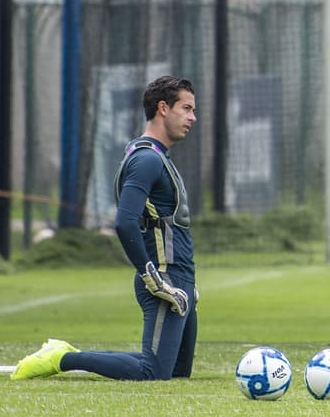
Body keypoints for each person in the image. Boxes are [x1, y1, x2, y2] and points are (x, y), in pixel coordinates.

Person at [12, 76, 199, 381]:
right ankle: (63, 357)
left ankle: (66, 354)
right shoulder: (146, 159)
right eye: (187, 108)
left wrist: (189, 283)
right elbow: (124, 223)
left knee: (176, 371)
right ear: (163, 108)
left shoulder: (158, 157)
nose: (193, 117)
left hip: (181, 277)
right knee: (153, 372)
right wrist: (153, 277)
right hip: (163, 278)